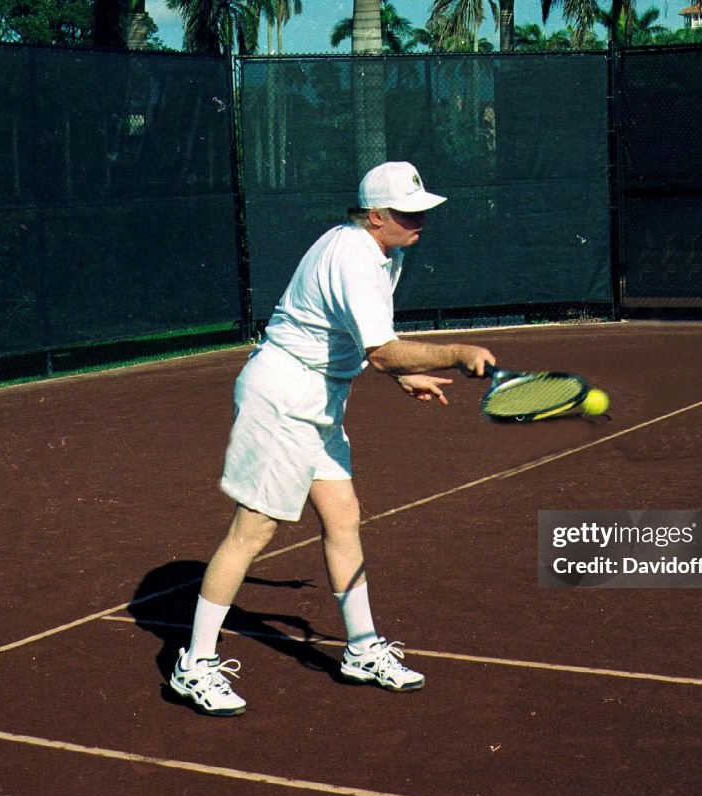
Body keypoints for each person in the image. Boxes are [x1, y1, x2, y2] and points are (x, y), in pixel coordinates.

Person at [170, 161, 496, 716]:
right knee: (254, 530)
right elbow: (383, 349)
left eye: (421, 212)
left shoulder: (379, 253)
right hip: (283, 398)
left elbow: (354, 342)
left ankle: (362, 649)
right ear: (376, 216)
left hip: (320, 396)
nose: (419, 223)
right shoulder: (352, 258)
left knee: (343, 516)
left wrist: (404, 374)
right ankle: (194, 664)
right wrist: (456, 353)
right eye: (407, 214)